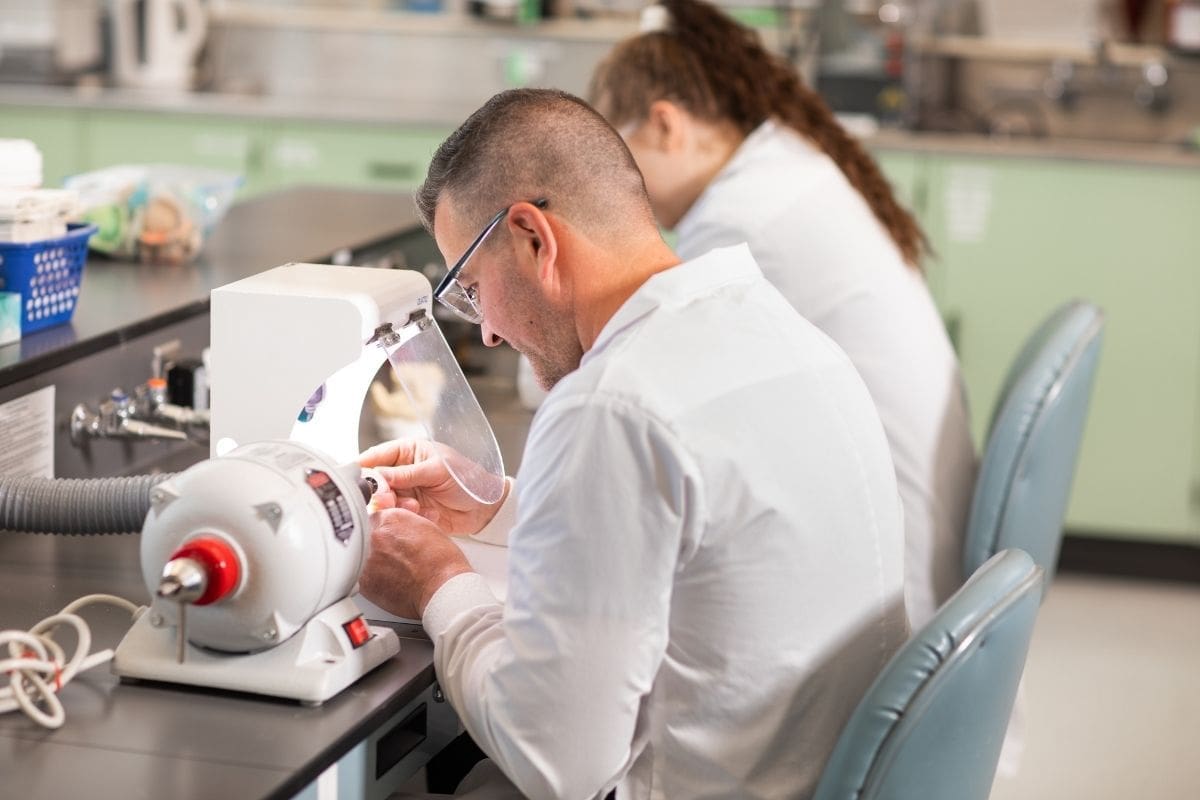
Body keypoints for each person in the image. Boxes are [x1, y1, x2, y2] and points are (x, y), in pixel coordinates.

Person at [359, 88, 908, 800]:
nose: (487, 331)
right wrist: (495, 510)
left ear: (532, 238)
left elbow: (555, 763)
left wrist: (436, 582)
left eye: (471, 289)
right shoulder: (776, 330)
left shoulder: (610, 406)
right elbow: (704, 541)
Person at [587, 0, 978, 630]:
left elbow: (643, 386)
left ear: (665, 126)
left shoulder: (740, 222)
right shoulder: (782, 166)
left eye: (617, 167)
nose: (617, 196)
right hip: (911, 527)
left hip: (891, 573)